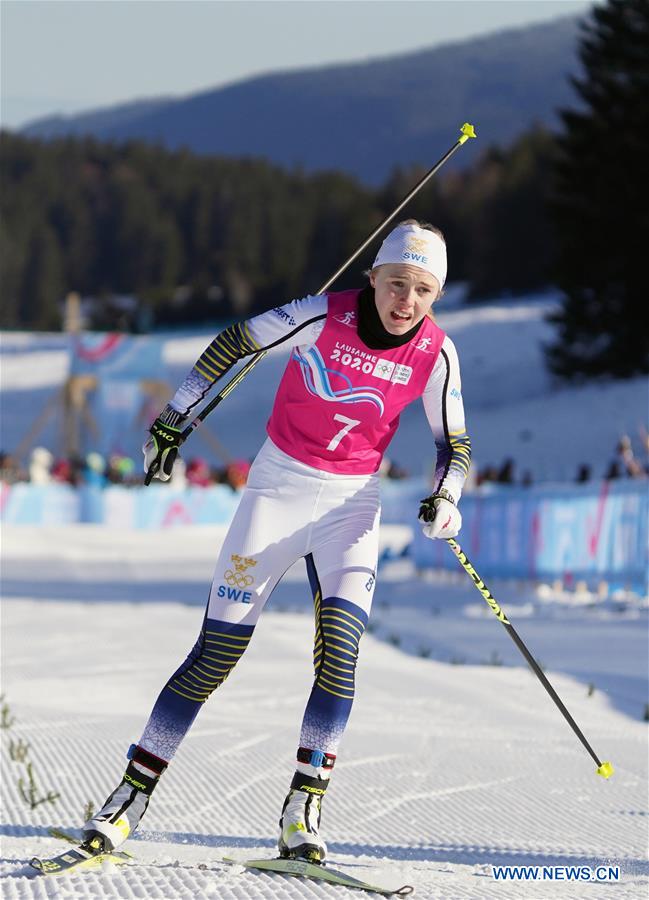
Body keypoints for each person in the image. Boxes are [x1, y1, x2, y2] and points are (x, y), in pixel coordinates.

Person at [83, 220, 472, 863]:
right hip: (277, 493)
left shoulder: (437, 352)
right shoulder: (324, 314)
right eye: (397, 283)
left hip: (353, 507)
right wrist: (175, 417)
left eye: (424, 290)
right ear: (373, 278)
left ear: (436, 295)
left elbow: (452, 443)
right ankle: (132, 793)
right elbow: (236, 341)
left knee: (340, 655)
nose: (407, 301)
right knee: (215, 656)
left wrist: (446, 496)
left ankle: (304, 807)